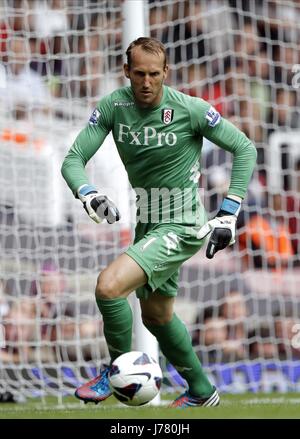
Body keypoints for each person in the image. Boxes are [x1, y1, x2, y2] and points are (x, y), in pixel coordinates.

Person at [61, 37, 257, 408]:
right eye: (139, 74)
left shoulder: (191, 109)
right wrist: (87, 192)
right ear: (126, 72)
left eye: (154, 74)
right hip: (147, 222)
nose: (147, 82)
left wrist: (229, 212)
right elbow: (73, 159)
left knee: (108, 287)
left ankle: (113, 369)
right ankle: (201, 389)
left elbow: (244, 148)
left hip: (181, 224)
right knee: (157, 316)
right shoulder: (113, 106)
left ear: (166, 72)